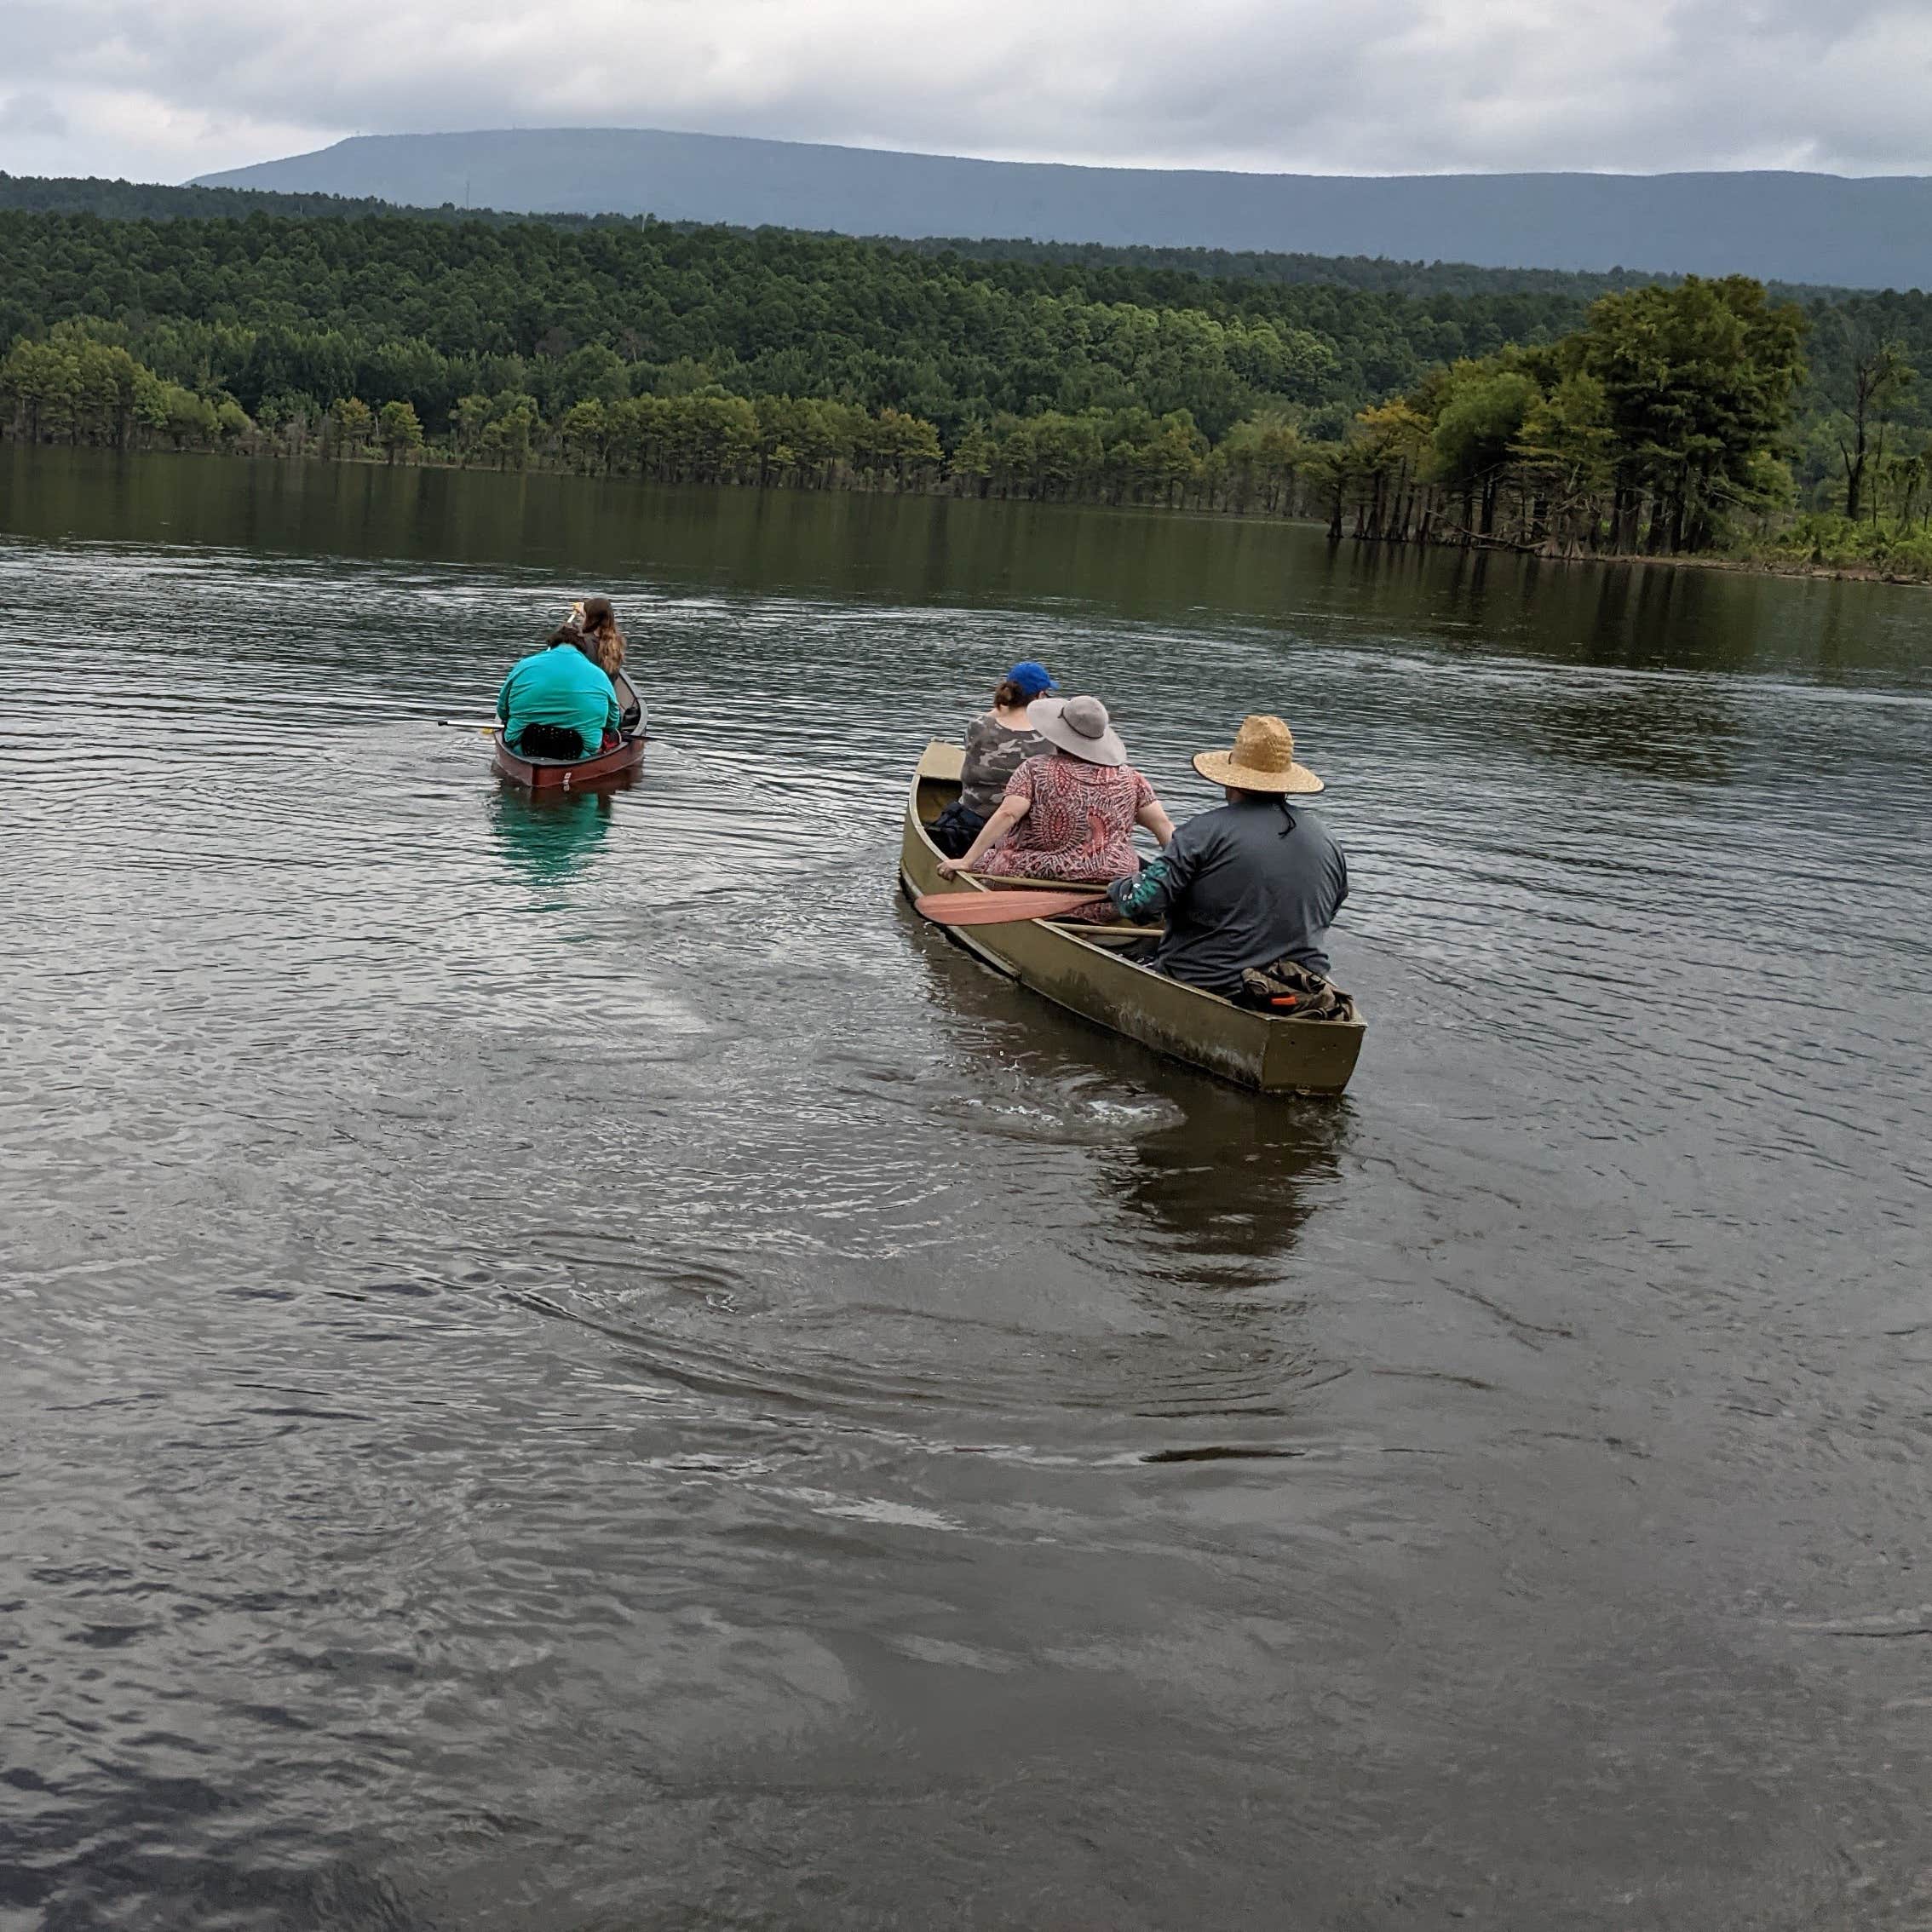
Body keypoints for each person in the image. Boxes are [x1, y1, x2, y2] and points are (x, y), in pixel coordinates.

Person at [1106, 714, 1348, 993]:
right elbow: (1329, 908)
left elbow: (1142, 906)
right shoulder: (1326, 838)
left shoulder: (1202, 833)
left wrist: (1120, 888)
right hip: (1301, 983)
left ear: (1231, 781)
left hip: (1210, 980)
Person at [936, 694, 1176, 897]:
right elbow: (1163, 826)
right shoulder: (1132, 778)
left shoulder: (1035, 769)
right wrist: (1184, 877)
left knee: (986, 860)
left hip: (1034, 881)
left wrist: (967, 861)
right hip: (1111, 886)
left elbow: (1008, 813)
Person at [929, 659, 1057, 858]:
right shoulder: (1049, 737)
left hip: (971, 823)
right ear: (1040, 696)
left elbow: (992, 724)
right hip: (1019, 829)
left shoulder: (977, 727)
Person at [496, 626, 621, 761]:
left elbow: (502, 710)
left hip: (522, 747)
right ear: (582, 649)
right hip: (581, 753)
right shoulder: (599, 675)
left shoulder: (523, 666)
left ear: (552, 645)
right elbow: (613, 721)